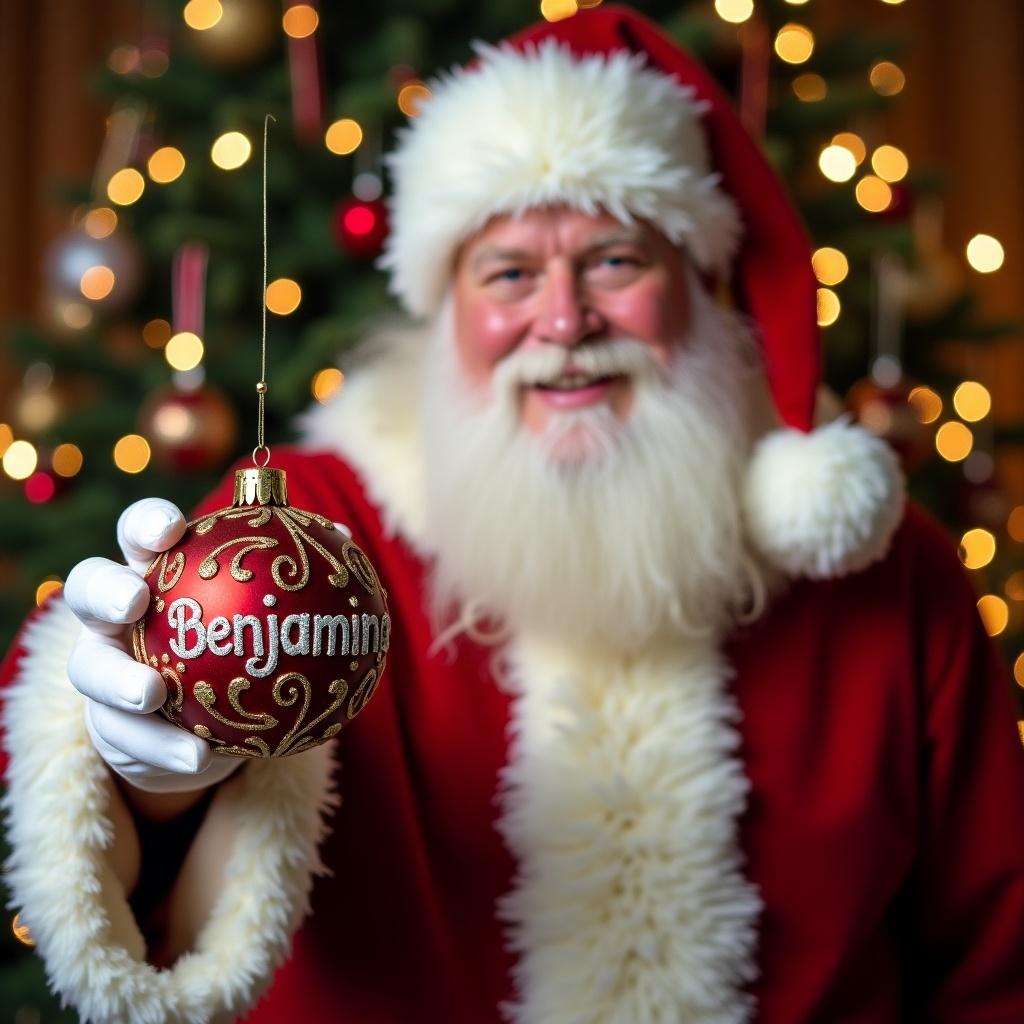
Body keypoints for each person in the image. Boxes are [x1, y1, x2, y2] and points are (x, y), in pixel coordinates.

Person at [2, 6, 1023, 1023]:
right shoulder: (310, 527)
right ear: (447, 306)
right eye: (510, 273)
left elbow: (993, 961)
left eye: (616, 261)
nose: (566, 319)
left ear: (701, 286)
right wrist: (143, 773)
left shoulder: (889, 573)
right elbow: (98, 822)